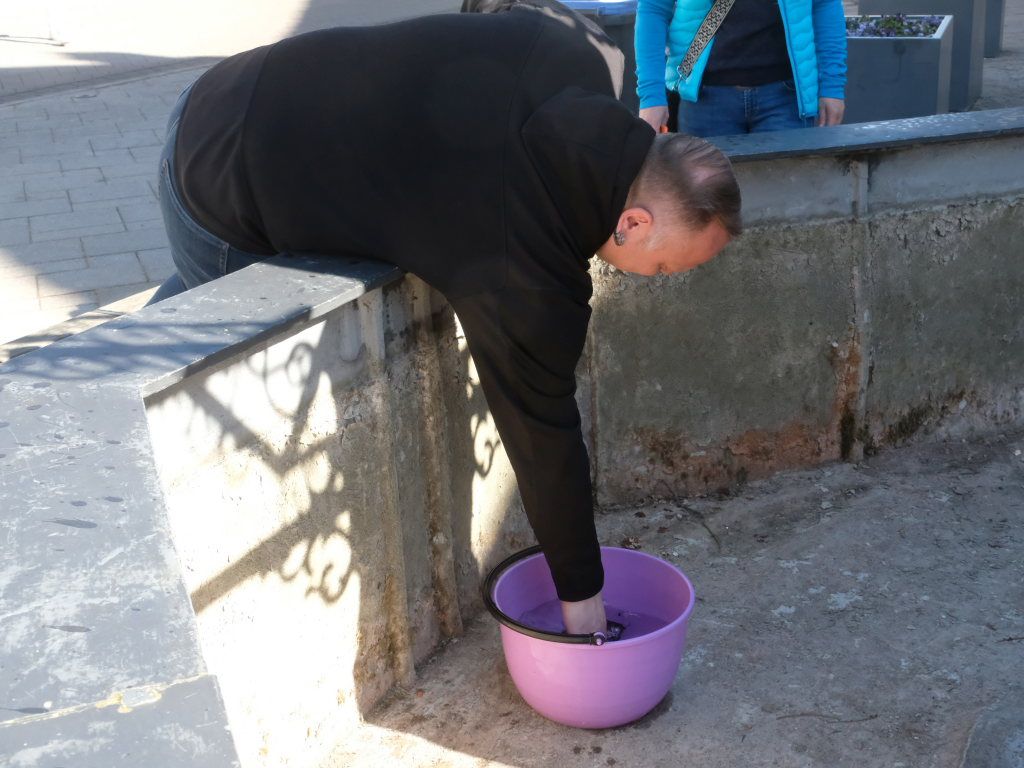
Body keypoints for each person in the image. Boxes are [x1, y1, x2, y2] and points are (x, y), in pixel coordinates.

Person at [151, 2, 741, 637]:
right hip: (220, 178)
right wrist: (585, 612)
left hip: (234, 87)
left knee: (170, 319)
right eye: (662, 268)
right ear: (633, 222)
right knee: (194, 369)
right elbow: (544, 440)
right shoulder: (521, 264)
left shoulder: (582, 56)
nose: (656, 280)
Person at [635, 0, 847, 137]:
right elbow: (653, 9)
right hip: (704, 98)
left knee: (786, 193)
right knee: (706, 196)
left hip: (787, 98)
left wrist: (832, 85)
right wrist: (651, 96)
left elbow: (824, 5)